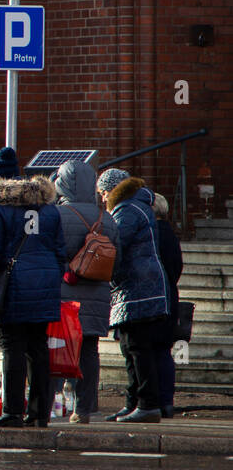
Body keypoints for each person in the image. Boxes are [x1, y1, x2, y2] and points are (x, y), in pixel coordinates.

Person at [0, 150, 65, 429]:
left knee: (12, 346)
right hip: (43, 285)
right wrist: (50, 278)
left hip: (11, 287)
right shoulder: (47, 208)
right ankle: (40, 413)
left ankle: (12, 411)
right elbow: (60, 251)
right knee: (38, 348)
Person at [98, 169, 170, 423]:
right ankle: (134, 403)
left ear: (114, 190)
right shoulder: (137, 206)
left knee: (138, 348)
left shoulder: (126, 210)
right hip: (141, 285)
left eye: (104, 193)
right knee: (131, 347)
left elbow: (114, 244)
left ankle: (147, 404)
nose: (103, 198)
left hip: (137, 288)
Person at [53, 160, 119, 423]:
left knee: (57, 347)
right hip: (98, 294)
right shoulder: (107, 218)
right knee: (89, 351)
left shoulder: (56, 216)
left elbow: (51, 255)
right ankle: (85, 408)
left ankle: (52, 403)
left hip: (65, 293)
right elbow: (118, 258)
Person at [153, 194, 183, 418]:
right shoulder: (171, 234)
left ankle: (154, 401)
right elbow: (177, 267)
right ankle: (166, 402)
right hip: (171, 296)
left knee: (150, 352)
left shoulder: (154, 233)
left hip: (156, 297)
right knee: (164, 352)